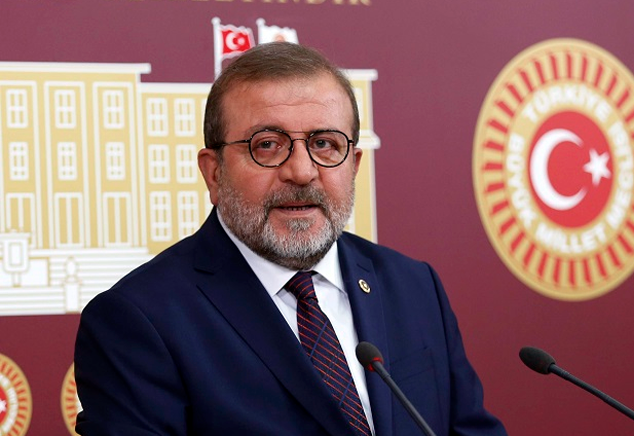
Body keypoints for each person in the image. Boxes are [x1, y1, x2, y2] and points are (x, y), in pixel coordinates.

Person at [74, 42, 507, 436]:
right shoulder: (138, 320)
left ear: (354, 165)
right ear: (214, 172)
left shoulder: (414, 286)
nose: (301, 171)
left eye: (324, 144)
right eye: (267, 145)